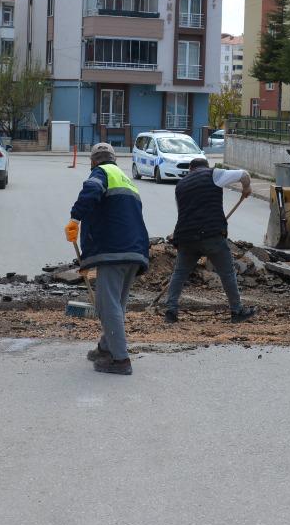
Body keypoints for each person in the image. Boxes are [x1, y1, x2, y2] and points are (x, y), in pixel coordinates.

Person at [66, 142, 150, 375]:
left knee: (106, 304)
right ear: (115, 160)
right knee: (116, 304)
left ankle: (120, 360)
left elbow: (91, 192)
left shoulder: (100, 173)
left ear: (93, 161)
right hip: (135, 251)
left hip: (114, 250)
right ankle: (106, 347)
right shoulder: (125, 179)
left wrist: (75, 218)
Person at [163, 156, 256, 324]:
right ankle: (237, 311)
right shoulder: (214, 174)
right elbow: (244, 174)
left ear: (191, 169)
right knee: (227, 273)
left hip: (186, 236)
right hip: (211, 234)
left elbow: (183, 213)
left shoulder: (181, 185)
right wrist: (246, 188)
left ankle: (171, 311)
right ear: (206, 167)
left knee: (179, 273)